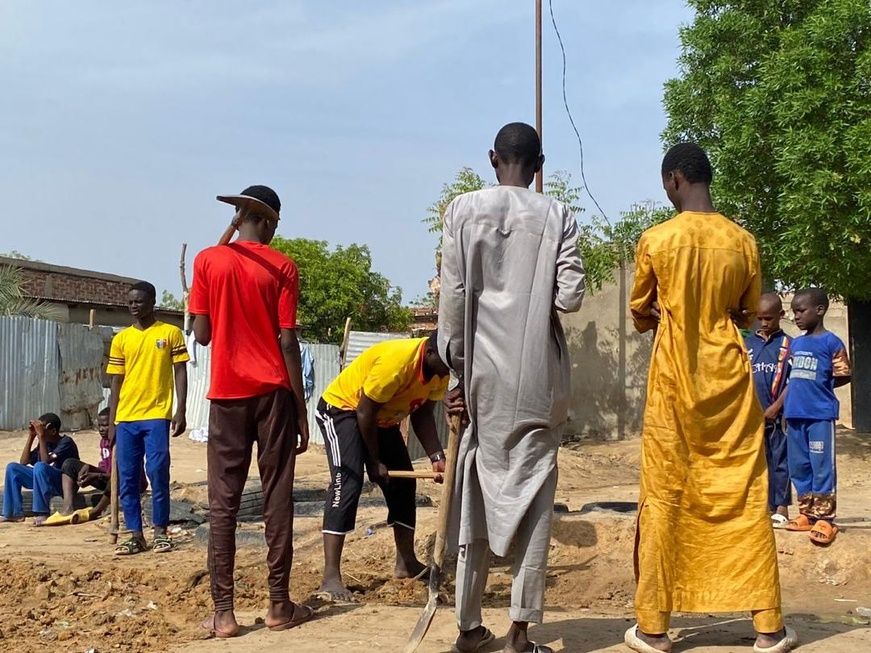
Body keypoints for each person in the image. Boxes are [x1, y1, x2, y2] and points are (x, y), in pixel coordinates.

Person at [626, 143, 797, 653]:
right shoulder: (743, 241)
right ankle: (768, 626)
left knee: (666, 492)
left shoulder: (657, 239)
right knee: (744, 492)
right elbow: (749, 311)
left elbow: (640, 310)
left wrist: (666, 312)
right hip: (730, 381)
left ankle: (653, 628)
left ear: (674, 179)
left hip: (674, 384)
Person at [437, 122, 585, 653]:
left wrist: (454, 372)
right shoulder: (558, 215)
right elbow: (569, 297)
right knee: (536, 494)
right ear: (539, 164)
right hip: (537, 377)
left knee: (473, 492)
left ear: (493, 158)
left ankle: (468, 627)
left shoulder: (460, 210)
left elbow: (453, 299)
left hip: (478, 379)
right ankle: (521, 632)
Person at [190, 185, 312, 638]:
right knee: (277, 495)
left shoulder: (208, 260)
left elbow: (202, 334)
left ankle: (224, 614)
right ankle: (279, 605)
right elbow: (287, 341)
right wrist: (300, 409)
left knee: (223, 504)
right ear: (269, 221)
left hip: (227, 394)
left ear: (239, 216)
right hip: (274, 395)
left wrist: (215, 266)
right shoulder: (282, 267)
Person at [315, 332, 450, 602]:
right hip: (344, 409)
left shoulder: (441, 369)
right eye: (449, 363)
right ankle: (330, 576)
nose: (451, 370)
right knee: (348, 480)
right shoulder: (397, 363)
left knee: (403, 483)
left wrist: (437, 456)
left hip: (381, 419)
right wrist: (375, 463)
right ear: (431, 352)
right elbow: (365, 411)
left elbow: (422, 414)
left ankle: (406, 562)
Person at [107, 280, 189, 556]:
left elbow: (180, 371)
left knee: (157, 471)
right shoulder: (121, 339)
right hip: (126, 418)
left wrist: (181, 409)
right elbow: (116, 382)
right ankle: (134, 534)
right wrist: (111, 422)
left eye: (139, 301)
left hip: (157, 415)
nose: (133, 306)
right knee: (128, 477)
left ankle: (160, 531)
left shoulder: (170, 333)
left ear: (152, 302)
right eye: (130, 302)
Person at [783, 288, 851, 546]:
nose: (797, 316)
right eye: (794, 312)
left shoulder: (832, 342)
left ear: (819, 310)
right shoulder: (796, 344)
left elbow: (843, 374)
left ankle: (825, 518)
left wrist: (820, 390)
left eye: (801, 311)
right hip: (794, 415)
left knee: (821, 465)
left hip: (820, 415)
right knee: (799, 466)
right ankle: (806, 514)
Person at [41, 408, 148, 526]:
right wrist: (90, 469)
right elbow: (107, 469)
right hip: (108, 479)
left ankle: (96, 511)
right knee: (69, 464)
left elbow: (119, 473)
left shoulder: (123, 442)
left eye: (106, 425)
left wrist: (96, 475)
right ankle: (68, 507)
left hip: (130, 482)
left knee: (116, 477)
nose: (101, 429)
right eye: (99, 425)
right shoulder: (104, 442)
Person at [743, 293, 792, 527]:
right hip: (751, 415)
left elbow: (794, 382)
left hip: (778, 416)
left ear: (781, 316)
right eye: (760, 318)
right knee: (755, 460)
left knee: (780, 459)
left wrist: (776, 407)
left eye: (769, 318)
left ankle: (781, 506)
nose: (764, 323)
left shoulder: (788, 345)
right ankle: (760, 504)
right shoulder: (747, 344)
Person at [1, 413, 78, 525]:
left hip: (62, 483)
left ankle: (42, 511)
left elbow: (44, 462)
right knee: (12, 468)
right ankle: (13, 513)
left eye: (42, 428)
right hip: (43, 480)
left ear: (53, 431)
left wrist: (41, 438)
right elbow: (23, 462)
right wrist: (31, 436)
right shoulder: (44, 443)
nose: (39, 431)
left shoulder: (66, 442)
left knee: (40, 466)